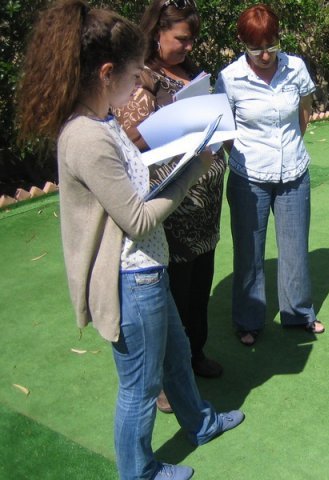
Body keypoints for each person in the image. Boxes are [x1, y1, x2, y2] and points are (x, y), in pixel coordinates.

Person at [16, 2, 244, 479]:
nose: (139, 79)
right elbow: (138, 220)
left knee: (178, 356)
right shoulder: (86, 137)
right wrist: (193, 168)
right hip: (129, 277)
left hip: (147, 268)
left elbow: (132, 188)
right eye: (132, 71)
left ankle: (200, 424)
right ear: (106, 73)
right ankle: (139, 472)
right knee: (139, 389)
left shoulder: (103, 122)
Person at [115, 0, 226, 414]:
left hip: (205, 210)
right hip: (171, 210)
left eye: (191, 38)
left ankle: (195, 354)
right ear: (157, 33)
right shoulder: (142, 78)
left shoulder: (188, 72)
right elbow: (127, 141)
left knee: (199, 289)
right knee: (173, 294)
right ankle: (165, 379)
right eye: (181, 38)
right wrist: (177, 120)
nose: (187, 45)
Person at [214, 4, 324, 346]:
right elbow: (225, 128)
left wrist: (289, 147)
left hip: (294, 171)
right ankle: (248, 320)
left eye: (271, 45)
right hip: (248, 177)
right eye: (256, 47)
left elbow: (304, 111)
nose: (265, 55)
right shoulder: (230, 78)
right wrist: (247, 160)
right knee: (249, 252)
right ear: (243, 43)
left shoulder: (295, 68)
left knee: (294, 248)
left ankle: (299, 313)